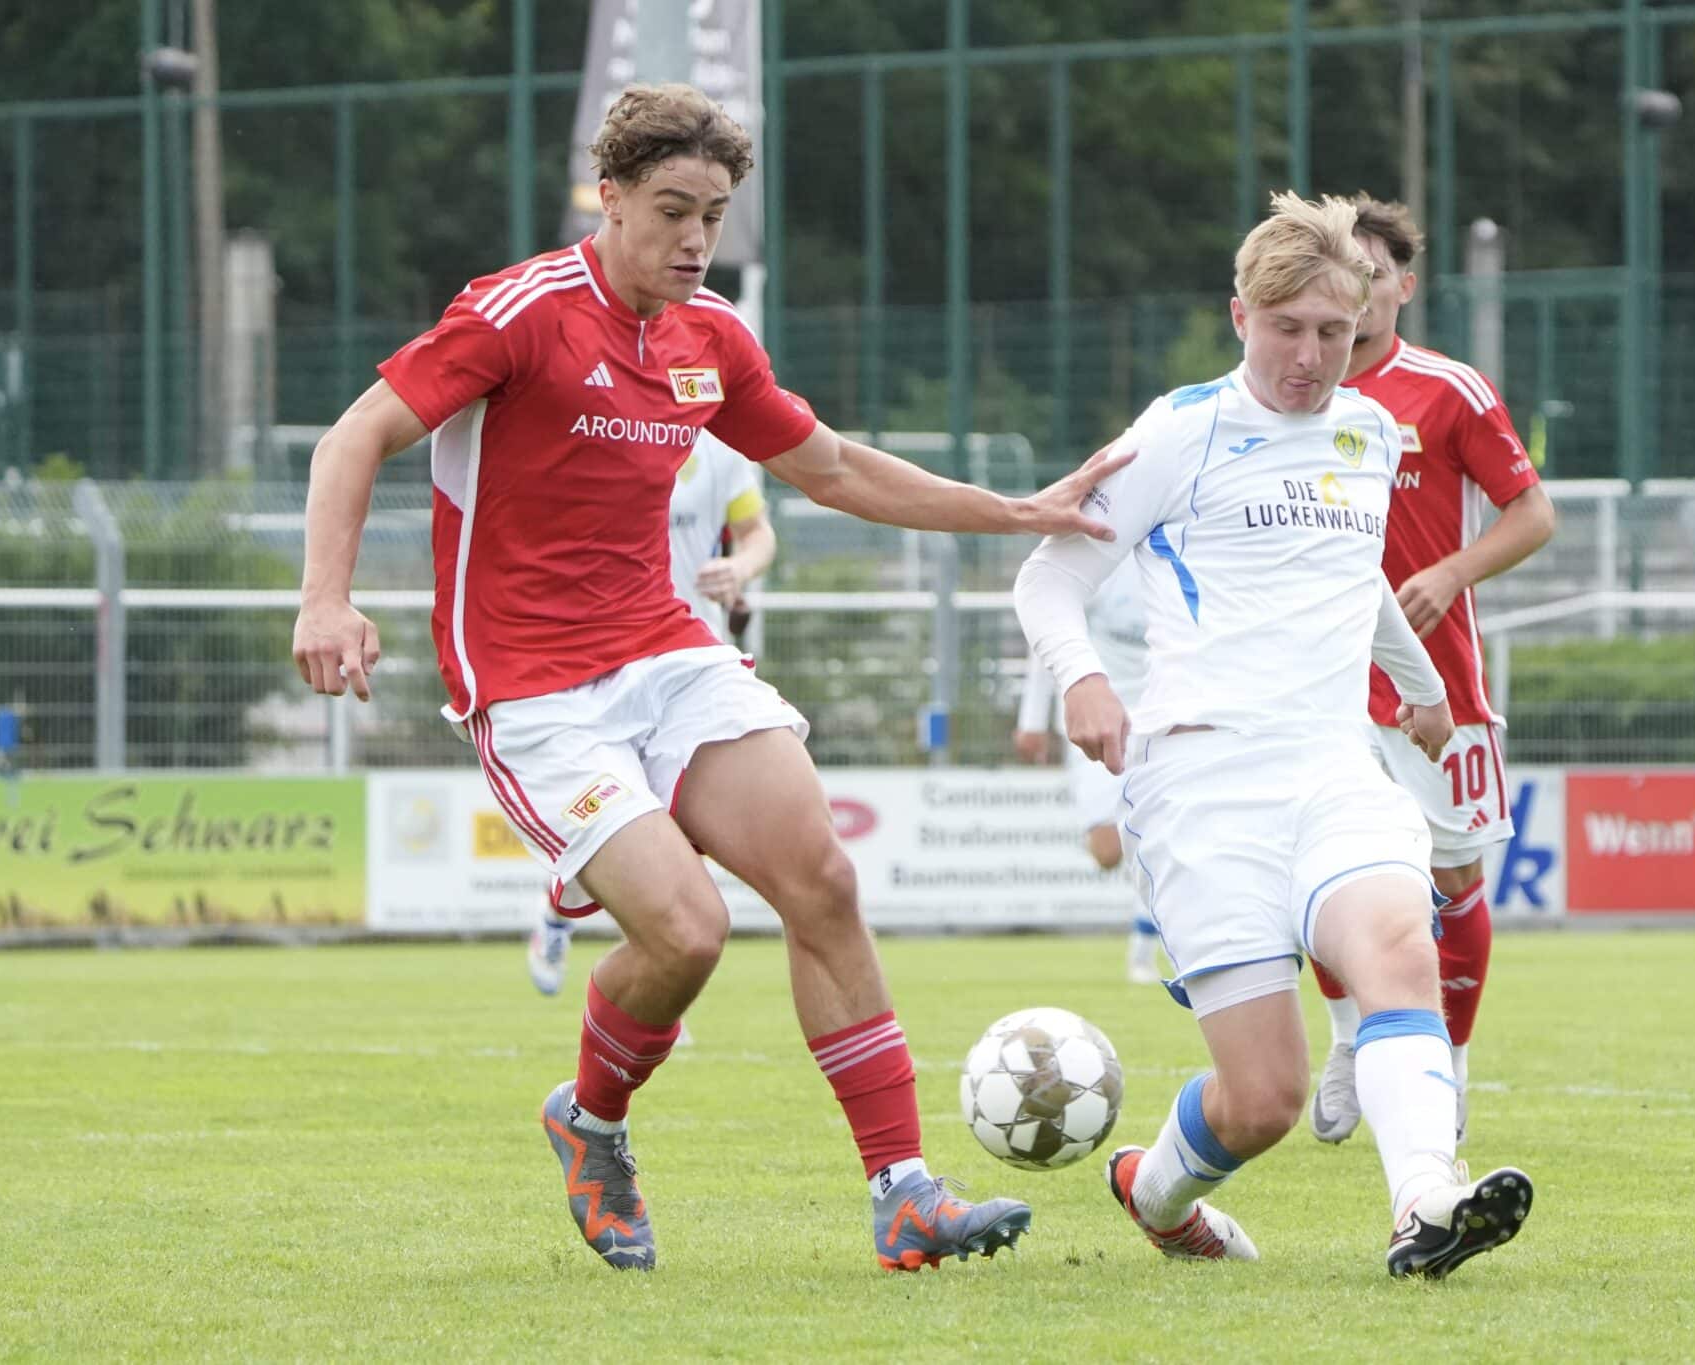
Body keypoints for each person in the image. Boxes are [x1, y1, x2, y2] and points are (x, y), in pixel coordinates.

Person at [292, 83, 1126, 1274]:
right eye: (672, 211)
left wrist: (1015, 511)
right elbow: (353, 435)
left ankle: (903, 1193)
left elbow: (830, 470)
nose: (694, 241)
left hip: (667, 651)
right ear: (613, 197)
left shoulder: (711, 336)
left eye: (715, 216)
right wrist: (326, 597)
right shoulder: (517, 313)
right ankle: (591, 1123)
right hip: (532, 688)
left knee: (821, 879)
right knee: (684, 934)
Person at [1014, 191, 1534, 1279]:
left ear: (1365, 324)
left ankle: (1424, 1203)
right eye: (1286, 328)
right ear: (1238, 315)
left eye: (1332, 334)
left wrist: (1417, 683)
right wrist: (1083, 682)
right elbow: (1047, 579)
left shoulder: (1368, 429)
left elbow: (1360, 579)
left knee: (1399, 952)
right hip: (1200, 782)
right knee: (1262, 1102)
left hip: (1330, 763)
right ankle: (1156, 1197)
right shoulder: (1176, 432)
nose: (1308, 356)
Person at [1306, 194, 1557, 1149]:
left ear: (1404, 287)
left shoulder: (1450, 390)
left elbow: (1532, 513)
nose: (1359, 295)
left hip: (1439, 688)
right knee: (1319, 876)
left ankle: (1446, 1066)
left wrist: (1452, 572)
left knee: (1454, 883)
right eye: (1344, 275)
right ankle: (1343, 1039)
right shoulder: (1296, 389)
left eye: (1374, 276)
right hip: (1325, 689)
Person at [526, 430, 775, 1001]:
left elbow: (757, 532)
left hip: (694, 669)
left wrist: (739, 569)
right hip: (604, 665)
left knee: (685, 831)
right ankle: (565, 918)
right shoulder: (597, 431)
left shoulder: (721, 448)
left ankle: (651, 963)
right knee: (629, 824)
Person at [1012, 554, 1162, 983]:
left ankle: (1143, 950)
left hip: (1158, 719)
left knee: (1156, 839)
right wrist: (1032, 721)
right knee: (1108, 851)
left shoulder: (1179, 561)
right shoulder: (1103, 568)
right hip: (1098, 721)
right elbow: (1048, 641)